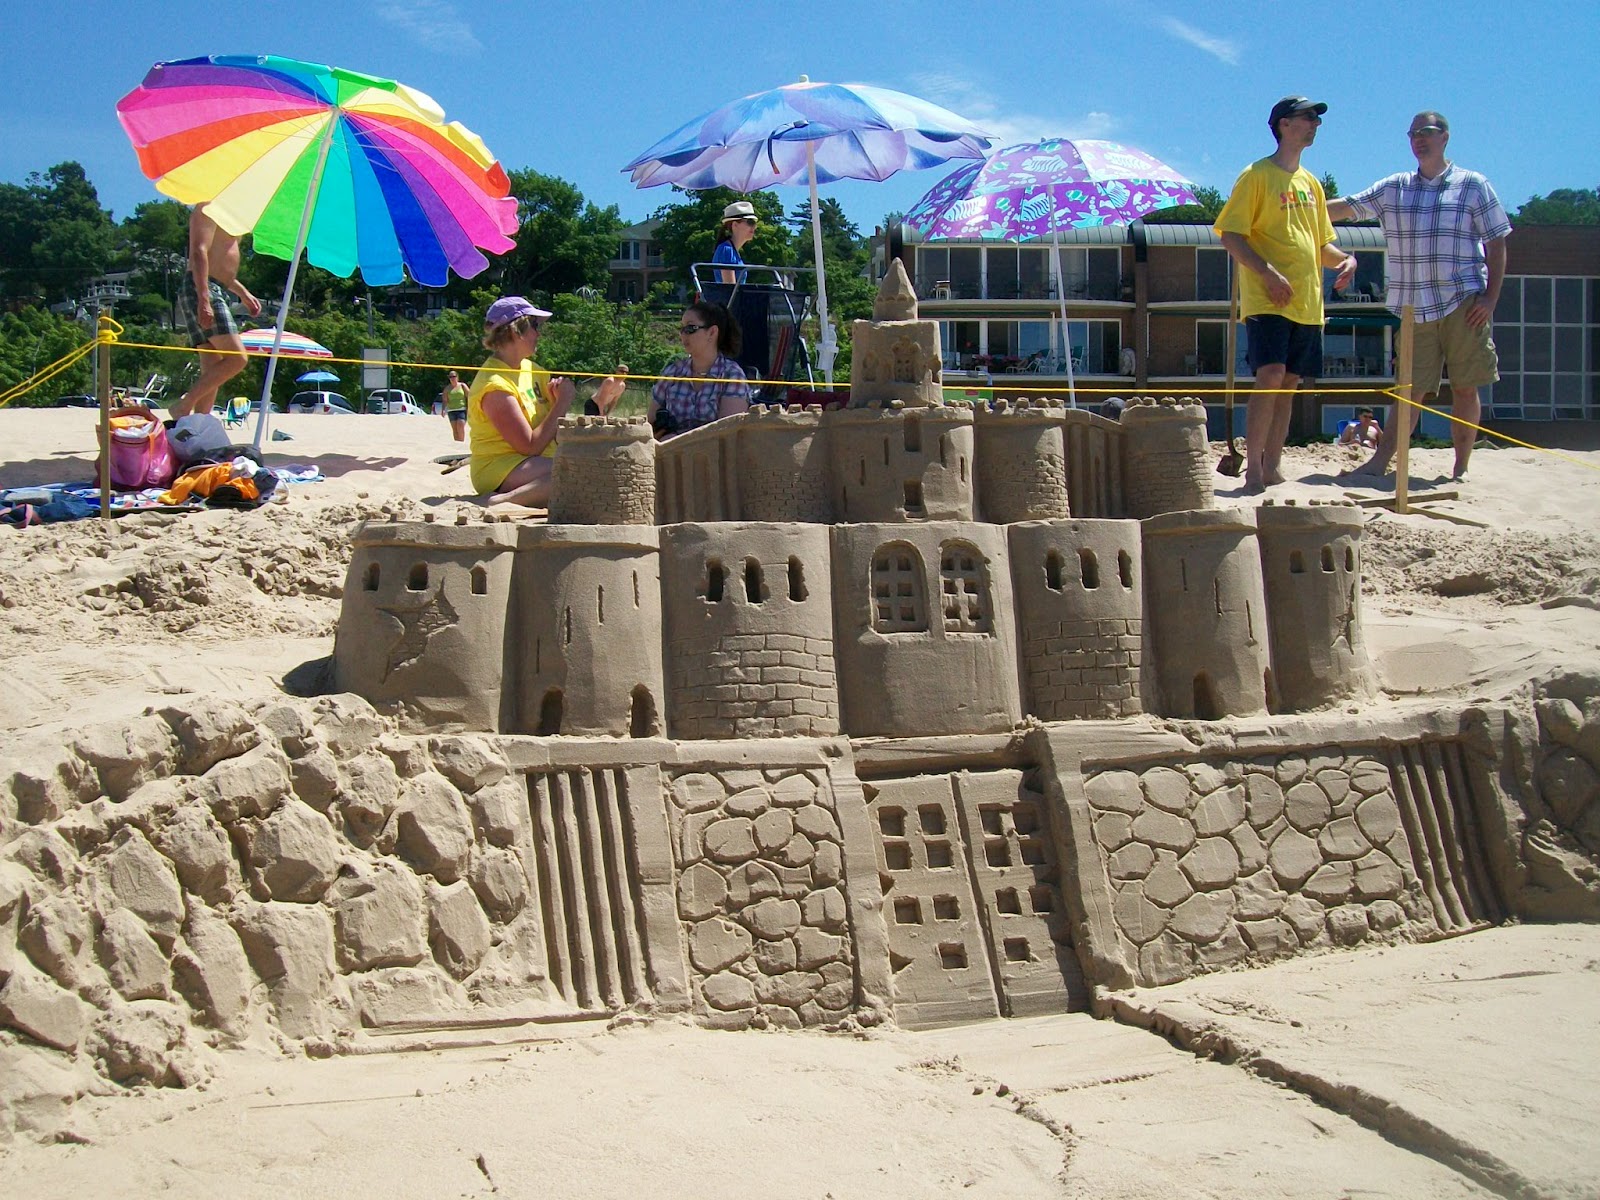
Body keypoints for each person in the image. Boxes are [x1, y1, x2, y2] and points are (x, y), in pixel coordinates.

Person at [1329, 112, 1512, 482]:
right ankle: (1380, 463)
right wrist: (1294, 206)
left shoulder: (1473, 184)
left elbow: (1497, 243)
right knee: (1408, 391)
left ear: (1444, 136)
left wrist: (1490, 299)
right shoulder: (1394, 187)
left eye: (1426, 133)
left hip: (1464, 301)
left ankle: (1460, 468)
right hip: (1413, 307)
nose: (1418, 139)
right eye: (1413, 134)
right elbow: (1346, 207)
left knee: (1464, 386)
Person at [1215, 96, 1357, 492]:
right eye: (1307, 117)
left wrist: (1346, 261)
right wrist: (1267, 271)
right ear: (1283, 124)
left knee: (1290, 381)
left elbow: (1320, 245)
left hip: (1308, 303)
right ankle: (1254, 469)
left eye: (1316, 119)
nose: (1314, 124)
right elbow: (1230, 235)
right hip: (1267, 297)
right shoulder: (1256, 175)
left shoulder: (1311, 183)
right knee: (1270, 376)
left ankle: (1274, 465)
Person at [467, 296, 624, 506]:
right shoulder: (495, 385)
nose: (538, 333)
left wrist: (597, 406)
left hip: (538, 462)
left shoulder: (535, 371)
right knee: (575, 473)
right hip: (498, 466)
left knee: (594, 467)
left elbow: (554, 432)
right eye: (534, 325)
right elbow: (529, 446)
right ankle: (501, 501)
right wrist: (562, 402)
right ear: (516, 331)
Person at [171, 206, 262, 419]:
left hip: (214, 287)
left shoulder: (231, 216)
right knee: (236, 358)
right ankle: (184, 404)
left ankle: (198, 423)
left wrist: (244, 294)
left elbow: (221, 268)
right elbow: (199, 252)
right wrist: (204, 298)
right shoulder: (208, 208)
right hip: (202, 286)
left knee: (212, 365)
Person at [648, 302, 751, 438]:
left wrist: (678, 440)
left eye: (690, 328)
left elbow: (728, 433)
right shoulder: (672, 373)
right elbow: (649, 425)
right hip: (669, 455)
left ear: (712, 332)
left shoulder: (732, 375)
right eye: (682, 328)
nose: (683, 334)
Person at [713, 201, 758, 284]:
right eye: (750, 222)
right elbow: (730, 289)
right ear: (735, 225)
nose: (755, 226)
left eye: (755, 223)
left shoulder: (731, 250)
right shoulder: (727, 250)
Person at [439, 370, 469, 441]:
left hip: (462, 409)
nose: (452, 378)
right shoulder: (447, 388)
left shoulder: (462, 385)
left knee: (460, 425)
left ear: (457, 377)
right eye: (450, 377)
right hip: (451, 410)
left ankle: (461, 441)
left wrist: (469, 407)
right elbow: (445, 400)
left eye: (454, 376)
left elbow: (469, 396)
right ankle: (457, 443)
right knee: (455, 429)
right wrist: (443, 409)